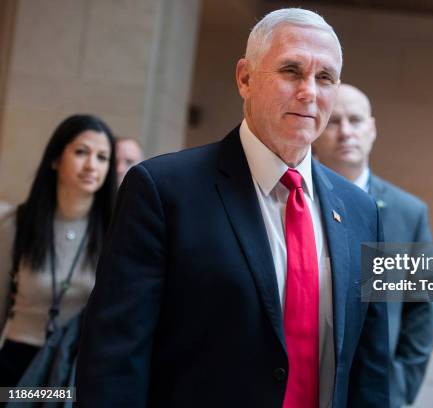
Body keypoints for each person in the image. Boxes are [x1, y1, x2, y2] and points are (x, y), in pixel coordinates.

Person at [77, 9, 389, 408]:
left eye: (324, 77)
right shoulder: (163, 191)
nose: (309, 91)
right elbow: (114, 359)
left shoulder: (362, 211)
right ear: (245, 78)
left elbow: (371, 370)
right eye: (291, 71)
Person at [313, 83, 433, 407]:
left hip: (375, 391)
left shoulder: (409, 214)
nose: (346, 132)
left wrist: (398, 389)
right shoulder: (290, 196)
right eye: (334, 122)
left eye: (355, 120)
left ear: (372, 128)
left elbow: (420, 307)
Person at [0, 114, 116, 386]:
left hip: (74, 369)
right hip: (17, 366)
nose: (91, 165)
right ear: (55, 159)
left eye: (102, 157)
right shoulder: (16, 224)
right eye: (81, 152)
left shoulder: (116, 230)